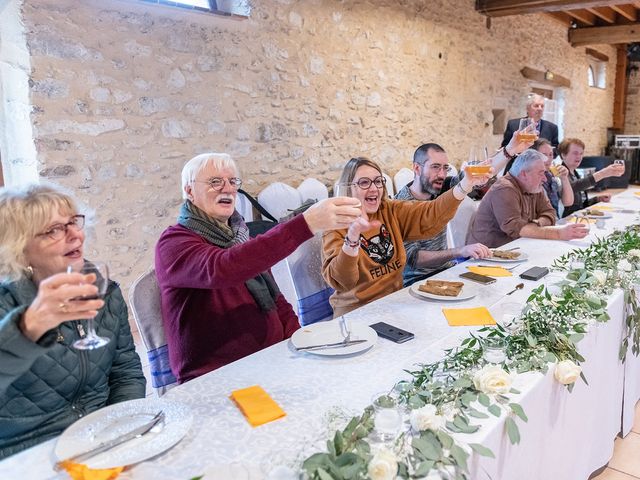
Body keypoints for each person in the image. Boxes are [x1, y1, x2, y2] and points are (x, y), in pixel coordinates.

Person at [155, 153, 361, 383]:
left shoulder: (241, 237)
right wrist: (306, 223)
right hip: (218, 377)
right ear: (190, 191)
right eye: (215, 182)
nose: (228, 188)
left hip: (272, 361)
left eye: (233, 182)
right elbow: (223, 268)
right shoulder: (174, 243)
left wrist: (299, 343)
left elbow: (276, 301)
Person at [0, 184, 145, 459]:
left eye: (73, 223)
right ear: (19, 249)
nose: (74, 235)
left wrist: (123, 432)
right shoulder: (5, 302)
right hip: (28, 453)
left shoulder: (105, 291)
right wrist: (27, 329)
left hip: (102, 439)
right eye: (54, 230)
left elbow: (126, 373)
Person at [321, 156, 490, 316]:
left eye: (378, 181)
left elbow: (431, 213)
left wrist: (466, 185)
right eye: (364, 183)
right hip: (356, 314)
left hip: (395, 304)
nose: (374, 188)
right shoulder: (336, 224)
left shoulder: (390, 210)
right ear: (348, 188)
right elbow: (342, 281)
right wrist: (352, 238)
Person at [394, 132, 534, 286]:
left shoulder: (441, 188)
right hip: (417, 282)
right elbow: (414, 259)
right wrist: (460, 251)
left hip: (448, 271)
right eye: (435, 167)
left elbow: (477, 176)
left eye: (445, 168)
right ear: (416, 168)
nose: (441, 174)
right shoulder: (401, 205)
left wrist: (509, 150)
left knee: (502, 285)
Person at [467, 149, 589, 248]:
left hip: (516, 249)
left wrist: (535, 224)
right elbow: (517, 230)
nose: (545, 179)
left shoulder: (534, 186)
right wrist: (559, 233)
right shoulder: (505, 189)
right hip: (485, 256)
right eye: (541, 173)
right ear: (524, 174)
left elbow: (550, 214)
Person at [559, 138, 625, 218]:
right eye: (575, 153)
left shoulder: (574, 173)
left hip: (580, 218)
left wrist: (597, 199)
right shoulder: (560, 174)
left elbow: (581, 205)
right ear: (563, 155)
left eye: (581, 153)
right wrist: (603, 173)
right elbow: (573, 187)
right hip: (567, 221)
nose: (579, 157)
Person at [501, 94, 559, 172]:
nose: (540, 109)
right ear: (528, 108)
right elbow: (505, 147)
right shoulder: (513, 124)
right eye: (536, 106)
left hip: (541, 171)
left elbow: (556, 149)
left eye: (542, 106)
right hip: (516, 168)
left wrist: (546, 154)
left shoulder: (552, 128)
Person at [534, 138, 573, 217]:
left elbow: (568, 202)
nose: (548, 159)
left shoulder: (552, 177)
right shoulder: (530, 179)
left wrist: (564, 178)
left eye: (551, 154)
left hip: (555, 221)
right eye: (544, 155)